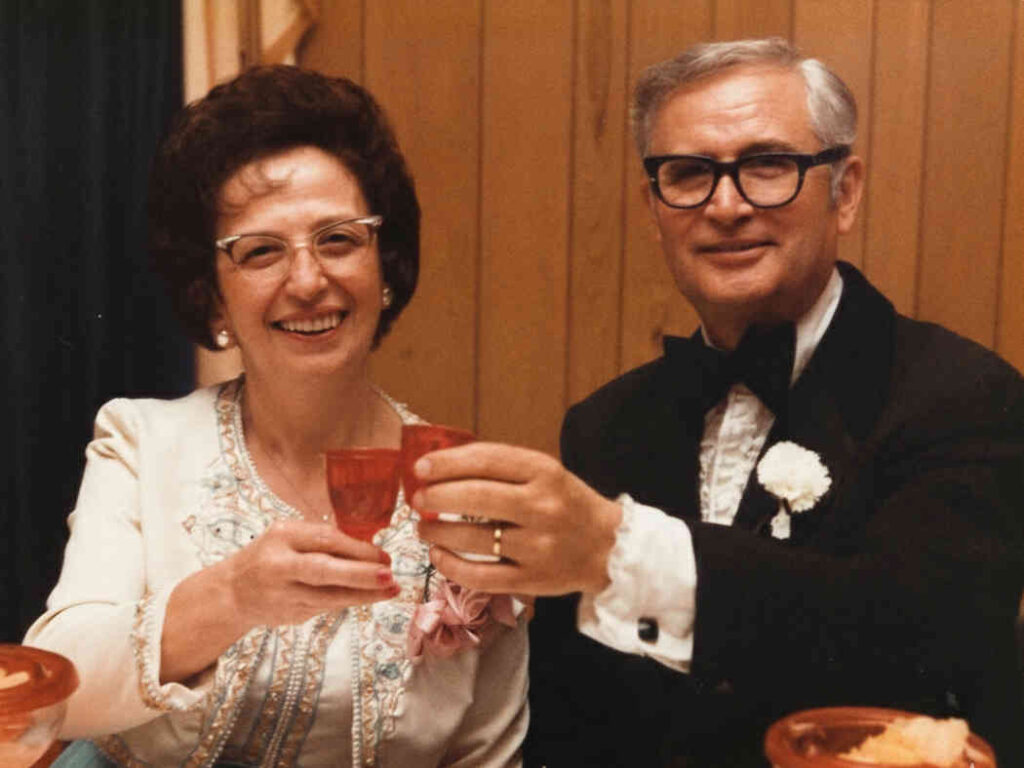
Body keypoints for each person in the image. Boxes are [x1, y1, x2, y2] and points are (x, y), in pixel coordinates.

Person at [412, 38, 1024, 766]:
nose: (725, 205)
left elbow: (920, 643)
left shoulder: (965, 396)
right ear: (654, 206)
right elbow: (570, 721)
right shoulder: (604, 427)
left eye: (768, 166)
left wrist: (616, 549)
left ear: (846, 190)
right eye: (689, 174)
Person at [24, 65, 527, 768]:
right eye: (260, 251)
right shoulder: (142, 443)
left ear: (387, 269)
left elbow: (487, 753)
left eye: (339, 239)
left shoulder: (465, 491)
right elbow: (56, 687)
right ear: (212, 297)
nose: (307, 280)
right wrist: (232, 596)